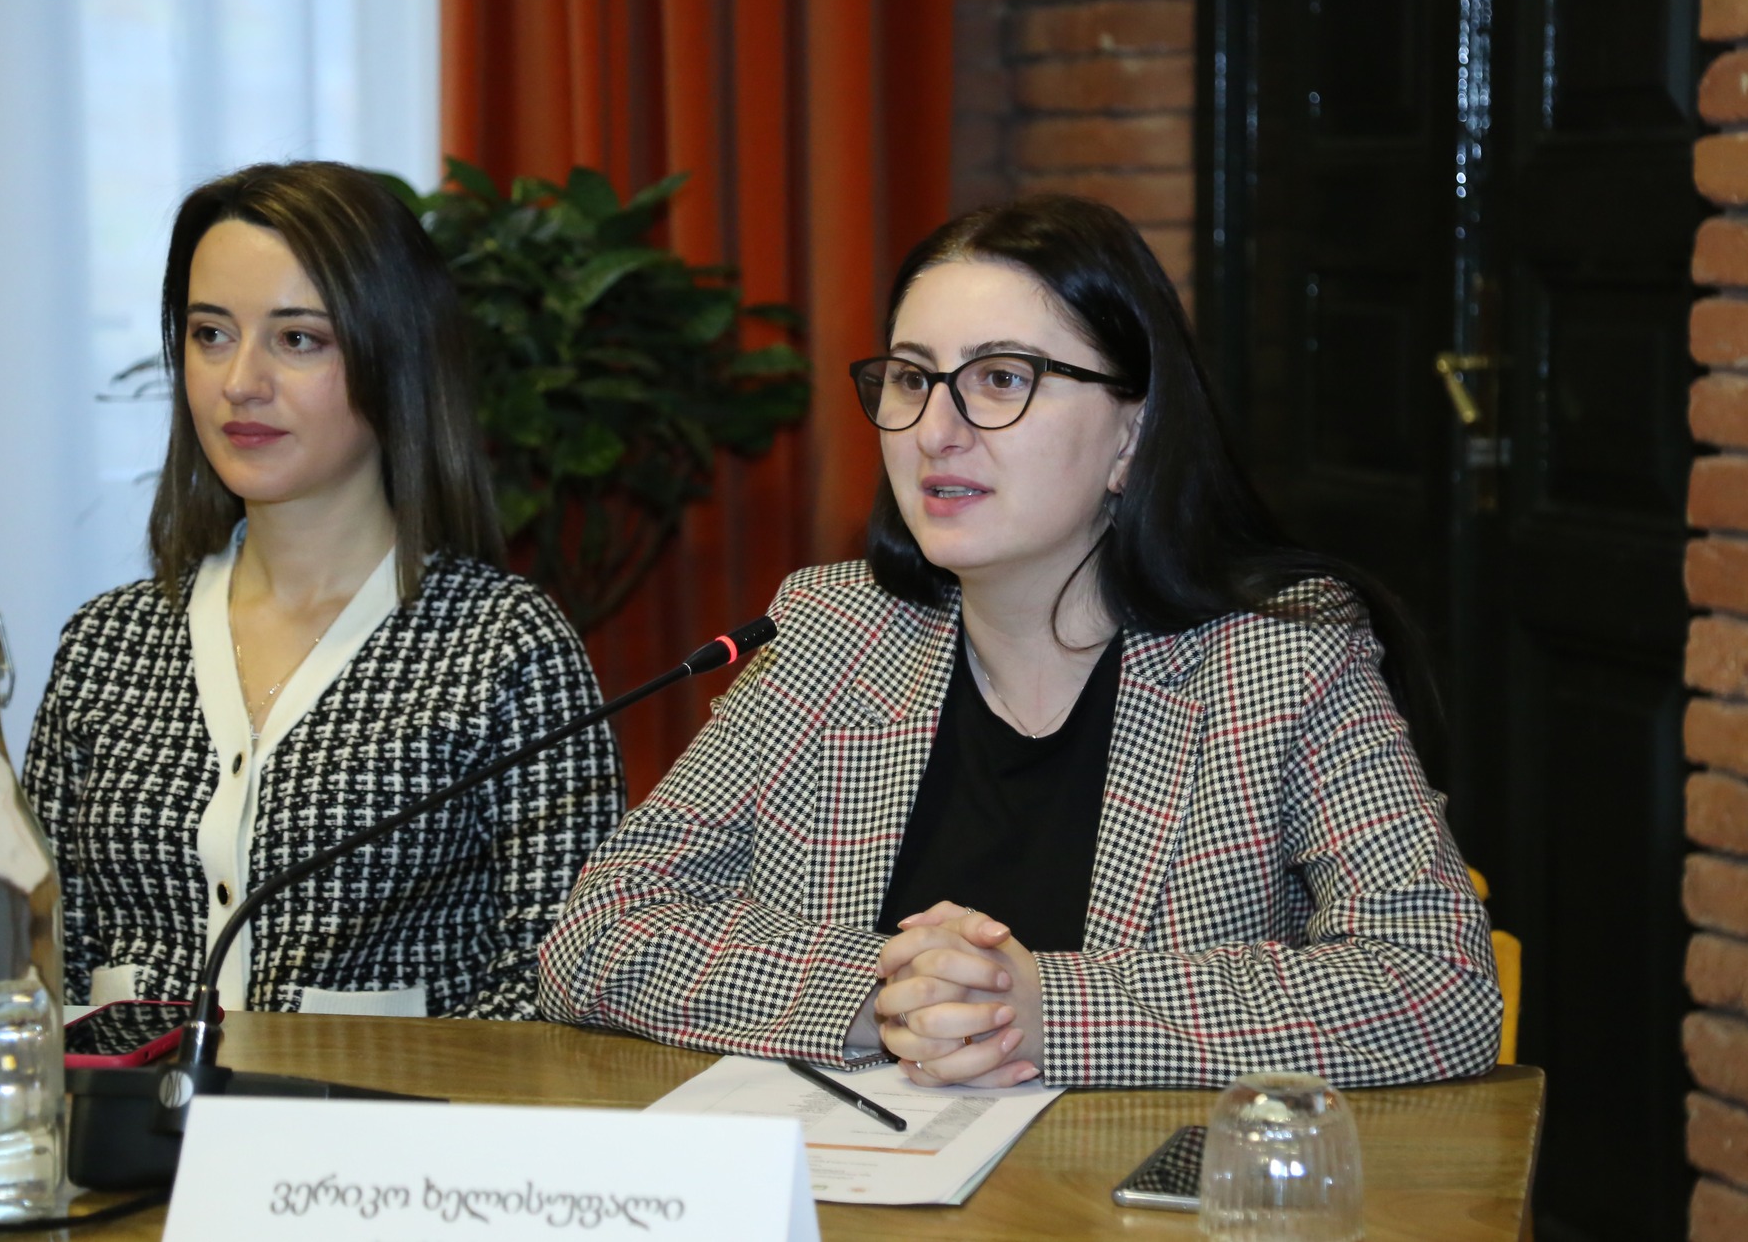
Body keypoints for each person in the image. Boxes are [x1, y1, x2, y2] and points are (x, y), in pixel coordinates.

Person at [537, 194, 1500, 1087]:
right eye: (912, 378)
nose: (936, 430)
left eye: (1001, 378)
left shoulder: (1279, 659)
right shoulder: (832, 633)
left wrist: (1040, 1009)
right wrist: (883, 992)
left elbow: (1438, 985)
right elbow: (595, 932)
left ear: (1132, 433)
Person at [23, 161, 622, 1020]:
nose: (240, 382)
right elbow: (42, 958)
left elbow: (559, 977)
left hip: (399, 1109)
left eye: (298, 339)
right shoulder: (106, 643)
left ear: (392, 355)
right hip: (119, 1108)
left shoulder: (504, 644)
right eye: (210, 333)